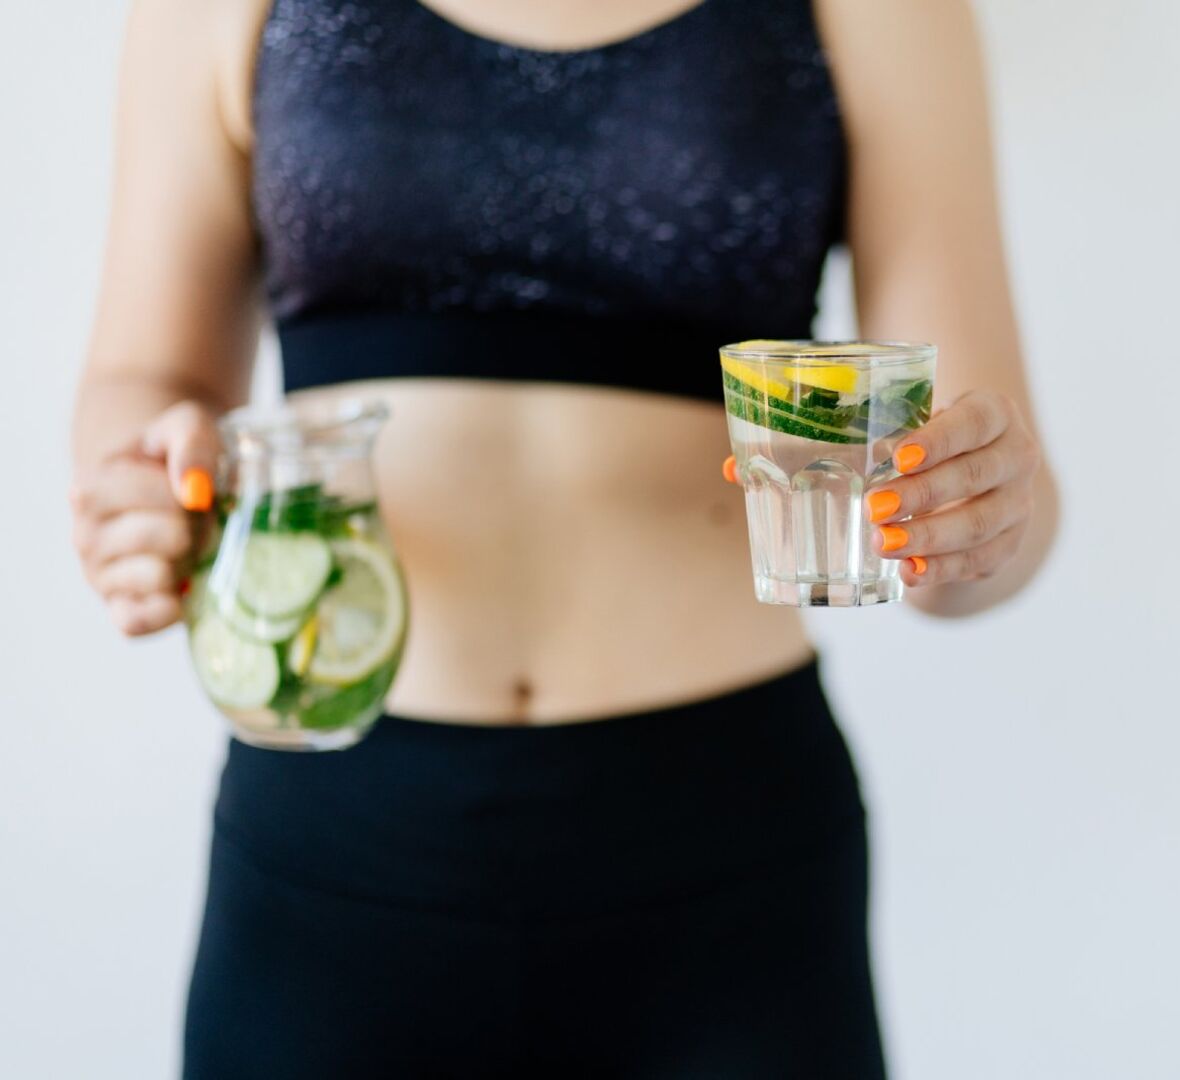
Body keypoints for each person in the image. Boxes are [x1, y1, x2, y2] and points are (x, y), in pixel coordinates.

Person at [68, 0, 1058, 1074]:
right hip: (329, 839)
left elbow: (973, 470)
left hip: (728, 864)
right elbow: (143, 381)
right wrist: (140, 481)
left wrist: (975, 526)